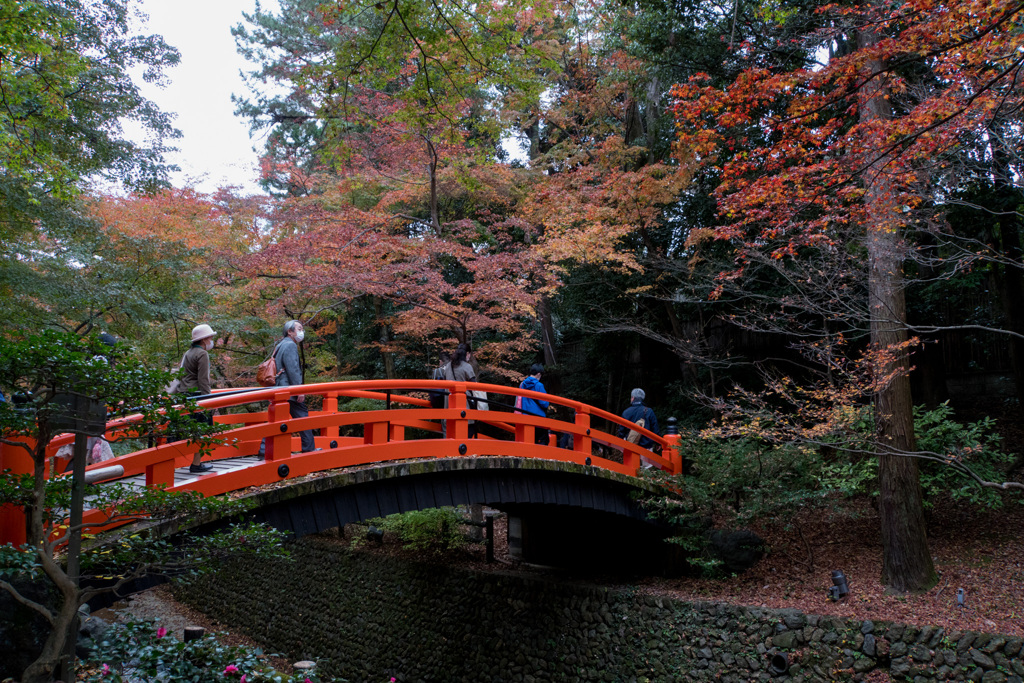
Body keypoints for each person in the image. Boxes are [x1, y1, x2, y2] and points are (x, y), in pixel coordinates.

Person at [260, 320, 317, 455]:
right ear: (289, 331)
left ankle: (263, 449)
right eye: (299, 329)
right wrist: (300, 390)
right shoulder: (290, 345)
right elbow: (293, 370)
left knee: (275, 420)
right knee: (302, 417)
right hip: (289, 390)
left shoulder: (280, 345)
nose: (301, 331)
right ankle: (309, 449)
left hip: (279, 389)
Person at [175, 323, 218, 473]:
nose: (212, 340)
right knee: (201, 430)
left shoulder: (188, 353)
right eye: (211, 337)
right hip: (197, 395)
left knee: (187, 429)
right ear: (204, 339)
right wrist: (209, 401)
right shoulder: (202, 354)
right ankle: (196, 463)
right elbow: (203, 380)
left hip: (184, 394)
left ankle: (174, 462)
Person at [617, 388, 660, 467]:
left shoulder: (626, 412)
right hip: (646, 446)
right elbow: (655, 428)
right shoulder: (649, 411)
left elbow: (621, 431)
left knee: (631, 470)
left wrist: (621, 442)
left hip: (631, 445)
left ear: (632, 398)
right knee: (647, 472)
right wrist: (658, 443)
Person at [444, 343, 478, 437]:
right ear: (467, 353)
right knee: (468, 429)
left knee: (452, 432)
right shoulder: (467, 367)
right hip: (464, 403)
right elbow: (474, 386)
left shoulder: (448, 366)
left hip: (449, 404)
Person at [518, 363, 550, 446]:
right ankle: (541, 458)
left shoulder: (522, 384)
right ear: (539, 374)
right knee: (544, 440)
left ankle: (530, 457)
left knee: (531, 440)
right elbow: (544, 403)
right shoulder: (539, 385)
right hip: (538, 417)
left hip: (525, 416)